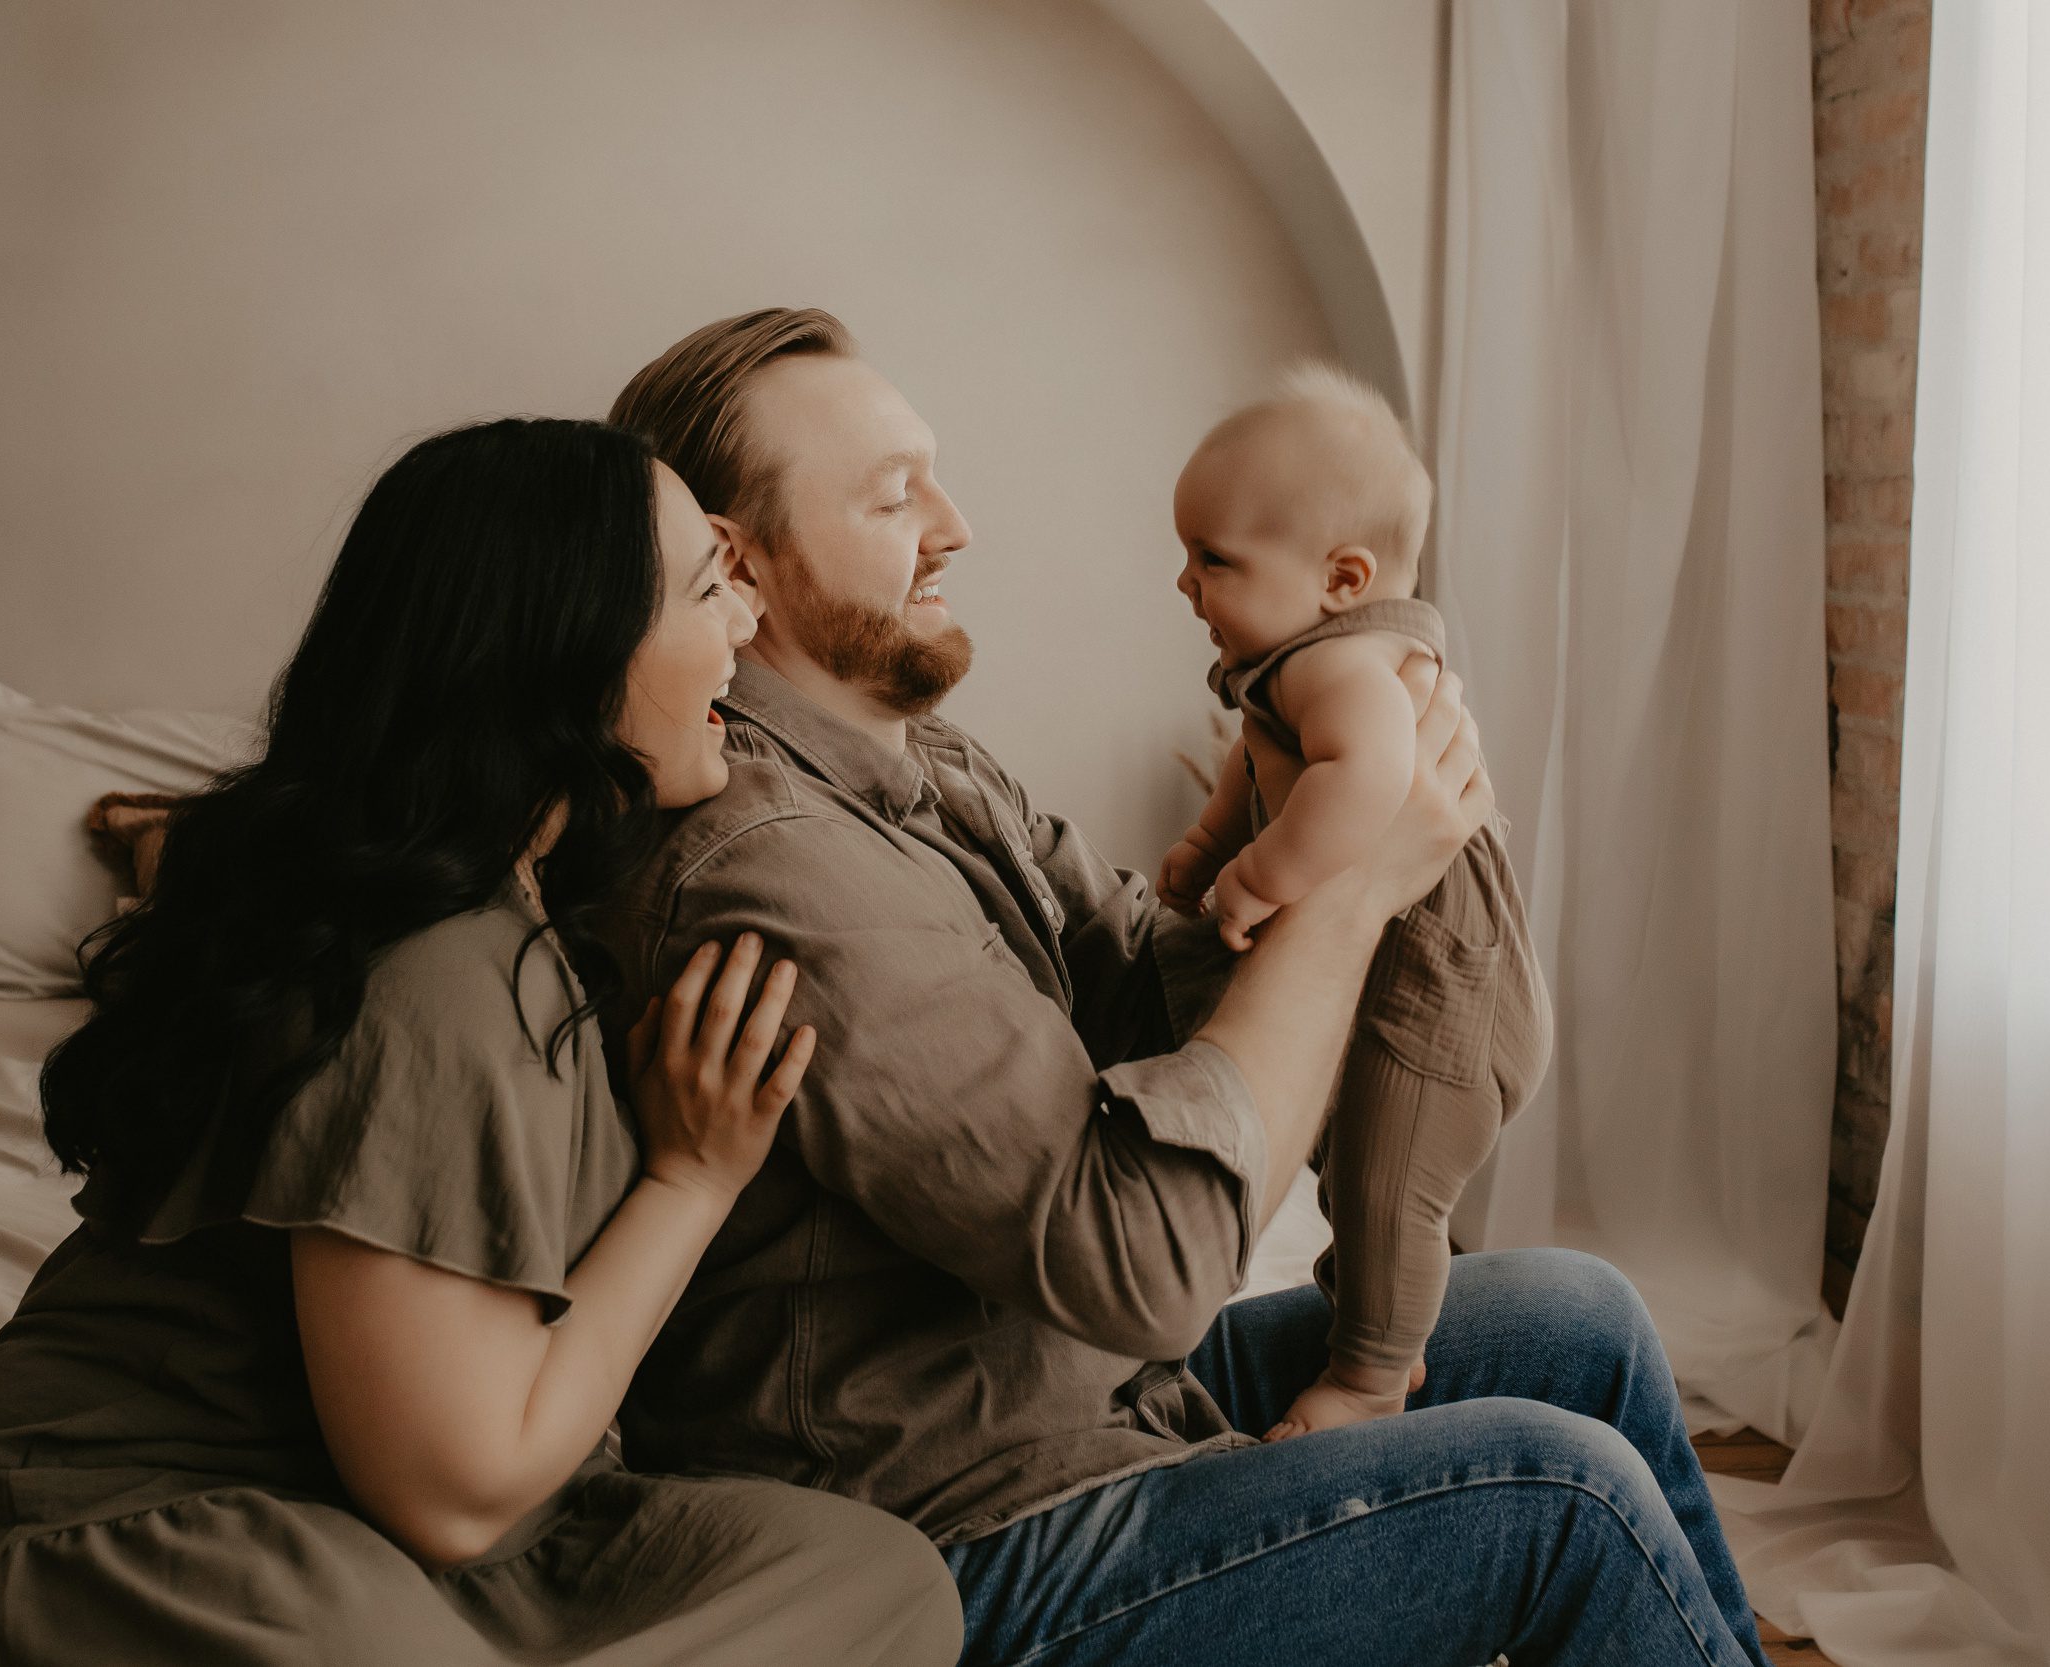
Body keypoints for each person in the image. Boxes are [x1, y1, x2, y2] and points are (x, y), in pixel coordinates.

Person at [601, 308, 1774, 1667]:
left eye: (935, 471)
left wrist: (1311, 808)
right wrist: (1350, 889)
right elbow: (1148, 1264)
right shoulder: (775, 866)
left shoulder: (927, 767)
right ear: (735, 565)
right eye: (892, 492)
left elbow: (1150, 980)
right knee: (1565, 1498)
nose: (957, 522)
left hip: (1081, 1399)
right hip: (971, 1530)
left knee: (1583, 1320)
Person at [0, 418, 963, 1665]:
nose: (746, 629)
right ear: (569, 661)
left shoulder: (525, 908)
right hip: (143, 1538)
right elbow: (454, 1493)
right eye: (708, 589)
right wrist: (689, 1178)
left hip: (385, 1539)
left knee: (873, 1574)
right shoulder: (436, 972)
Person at [1159, 362, 1554, 1438]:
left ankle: (1373, 1376)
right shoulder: (1290, 663)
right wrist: (1204, 841)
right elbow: (1255, 764)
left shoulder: (1343, 665)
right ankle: (1367, 1312)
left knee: (1387, 1193)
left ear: (1342, 577)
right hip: (1413, 980)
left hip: (1444, 993)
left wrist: (1260, 874)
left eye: (1214, 560)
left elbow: (1370, 778)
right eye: (1186, 556)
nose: (1186, 585)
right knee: (1358, 1175)